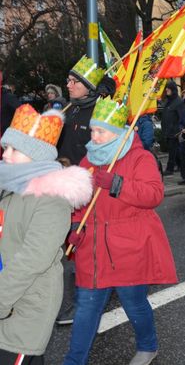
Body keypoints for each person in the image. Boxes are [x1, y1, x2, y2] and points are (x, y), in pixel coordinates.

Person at [63, 97, 177, 365]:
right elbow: (79, 202)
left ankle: (148, 347)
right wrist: (73, 228)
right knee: (86, 308)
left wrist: (117, 184)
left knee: (134, 304)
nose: (94, 137)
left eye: (100, 131)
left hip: (128, 247)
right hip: (91, 247)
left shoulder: (140, 157)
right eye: (92, 130)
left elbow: (153, 194)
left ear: (116, 132)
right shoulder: (87, 162)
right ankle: (73, 360)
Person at [0, 105, 92, 364]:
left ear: (35, 155)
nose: (5, 155)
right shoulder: (11, 185)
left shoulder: (51, 199)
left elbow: (33, 259)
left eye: (13, 149)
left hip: (23, 306)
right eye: (5, 147)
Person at [55, 56, 106, 326]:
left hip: (89, 189)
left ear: (88, 86)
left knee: (84, 244)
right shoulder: (69, 109)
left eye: (75, 81)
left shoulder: (100, 111)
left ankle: (84, 299)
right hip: (65, 185)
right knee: (70, 243)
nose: (69, 84)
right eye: (69, 80)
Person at [161, 80, 183, 176]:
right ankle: (180, 165)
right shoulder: (168, 100)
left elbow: (181, 117)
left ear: (173, 89)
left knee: (172, 150)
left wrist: (178, 129)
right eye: (166, 88)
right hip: (167, 129)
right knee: (174, 150)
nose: (166, 90)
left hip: (174, 131)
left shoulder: (178, 102)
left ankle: (170, 169)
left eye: (168, 88)